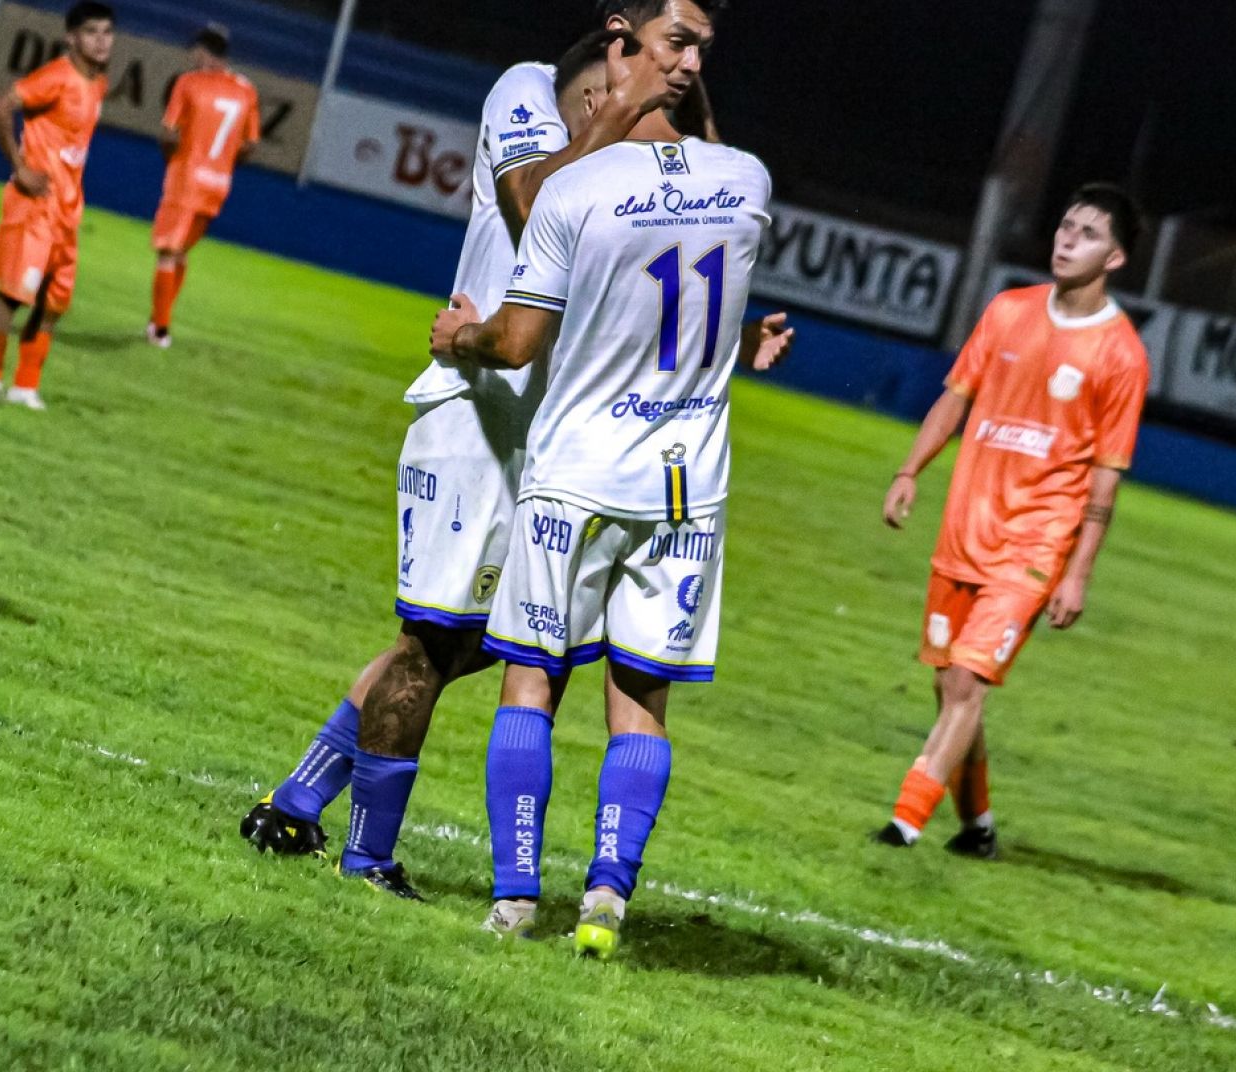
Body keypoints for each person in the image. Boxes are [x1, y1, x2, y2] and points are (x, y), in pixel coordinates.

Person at [239, 2, 737, 902]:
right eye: (678, 44)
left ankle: (300, 798)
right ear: (620, 37)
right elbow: (531, 204)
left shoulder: (639, 151)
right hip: (475, 415)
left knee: (482, 645)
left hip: (561, 440)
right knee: (434, 639)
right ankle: (366, 860)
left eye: (702, 50)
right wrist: (617, 118)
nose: (691, 66)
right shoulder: (528, 92)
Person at [429, 98, 787, 956]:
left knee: (531, 681)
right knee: (641, 698)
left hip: (578, 475)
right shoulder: (744, 181)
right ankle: (605, 902)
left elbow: (516, 341)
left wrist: (459, 336)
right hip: (684, 488)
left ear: (607, 87)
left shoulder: (578, 188)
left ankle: (515, 901)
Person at [871, 184, 1150, 858]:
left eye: (1087, 233)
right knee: (950, 686)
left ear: (1114, 258)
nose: (1067, 239)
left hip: (1036, 541)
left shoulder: (1121, 355)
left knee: (967, 682)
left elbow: (1105, 477)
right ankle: (979, 829)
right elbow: (955, 398)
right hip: (965, 529)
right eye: (1065, 226)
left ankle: (905, 822)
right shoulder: (1008, 310)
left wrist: (1077, 574)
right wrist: (909, 470)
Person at [0, 2, 114, 411]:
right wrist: (19, 167)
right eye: (91, 32)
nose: (101, 41)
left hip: (67, 210)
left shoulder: (97, 83)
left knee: (53, 303)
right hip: (35, 206)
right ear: (71, 37)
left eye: (107, 32)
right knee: (13, 296)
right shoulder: (57, 76)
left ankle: (25, 386)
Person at [144, 24, 259, 348]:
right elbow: (251, 144)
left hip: (186, 179)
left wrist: (172, 160)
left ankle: (160, 330)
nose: (193, 57)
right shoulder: (246, 89)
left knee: (167, 252)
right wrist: (223, 163)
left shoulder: (189, 82)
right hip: (218, 183)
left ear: (205, 52)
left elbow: (168, 133)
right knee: (181, 253)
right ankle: (157, 321)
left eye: (196, 51)